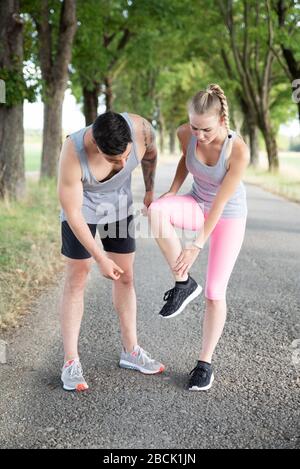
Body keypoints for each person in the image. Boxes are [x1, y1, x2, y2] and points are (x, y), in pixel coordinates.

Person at [148, 84, 249, 391]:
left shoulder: (238, 150)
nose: (198, 135)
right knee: (156, 211)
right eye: (194, 127)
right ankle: (183, 282)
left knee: (215, 293)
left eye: (205, 129)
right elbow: (185, 158)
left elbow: (220, 204)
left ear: (221, 121)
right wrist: (173, 190)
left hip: (227, 215)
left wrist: (195, 245)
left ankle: (204, 363)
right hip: (195, 202)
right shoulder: (186, 134)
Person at [58, 111, 165, 392]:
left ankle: (131, 351)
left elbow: (151, 154)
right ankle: (71, 362)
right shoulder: (73, 150)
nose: (121, 163)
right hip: (83, 210)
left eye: (125, 156)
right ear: (94, 142)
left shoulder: (141, 128)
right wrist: (100, 257)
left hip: (118, 207)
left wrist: (150, 190)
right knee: (78, 276)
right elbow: (71, 211)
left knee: (126, 277)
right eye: (112, 159)